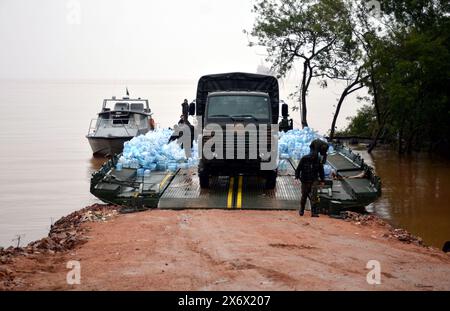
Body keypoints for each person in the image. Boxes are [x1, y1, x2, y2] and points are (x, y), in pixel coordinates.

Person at [295, 152, 325, 217]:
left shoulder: (318, 160)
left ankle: (313, 212)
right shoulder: (304, 159)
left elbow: (321, 170)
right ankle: (302, 209)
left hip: (314, 180)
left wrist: (322, 180)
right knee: (304, 196)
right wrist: (296, 177)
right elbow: (298, 169)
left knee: (314, 196)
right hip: (305, 180)